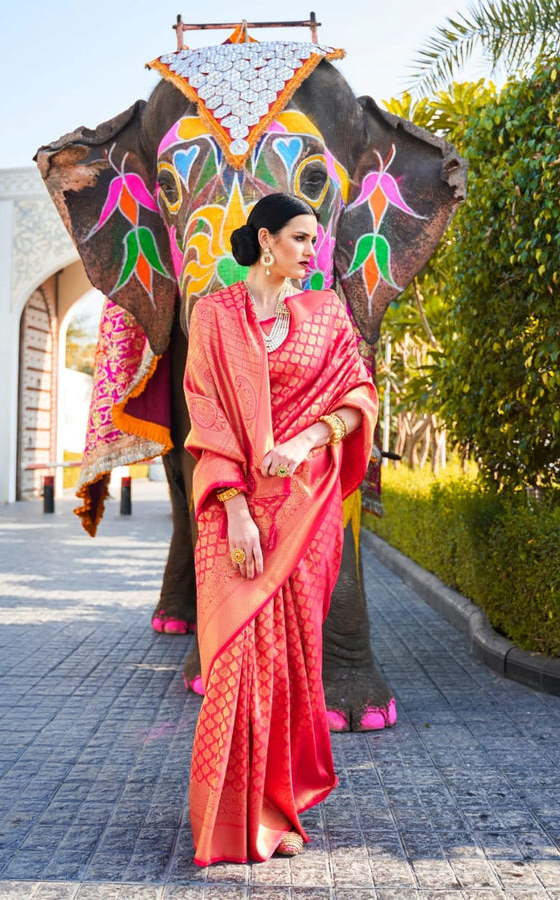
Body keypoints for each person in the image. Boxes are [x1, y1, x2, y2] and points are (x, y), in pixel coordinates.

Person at [183, 192, 378, 866]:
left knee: (290, 661)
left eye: (314, 238)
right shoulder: (212, 314)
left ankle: (278, 808)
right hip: (232, 506)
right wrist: (235, 506)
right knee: (236, 656)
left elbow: (359, 397)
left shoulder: (326, 314)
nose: (311, 249)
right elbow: (205, 413)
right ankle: (225, 818)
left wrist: (305, 441)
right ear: (265, 241)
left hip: (303, 506)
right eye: (300, 237)